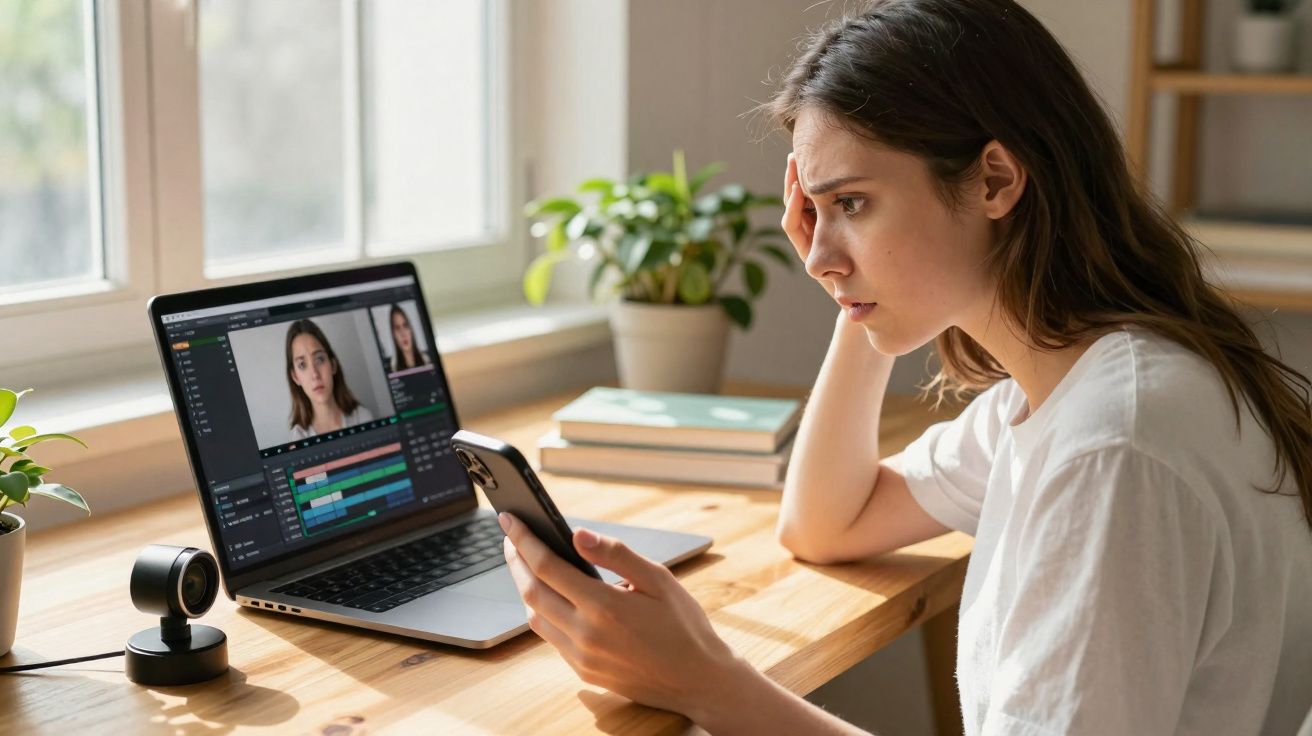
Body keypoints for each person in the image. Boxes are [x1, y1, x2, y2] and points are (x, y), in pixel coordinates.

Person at [496, 1, 1312, 733]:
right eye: (811, 211)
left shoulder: (1113, 447)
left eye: (851, 203)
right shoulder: (1072, 387)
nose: (814, 253)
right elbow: (827, 522)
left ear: (995, 179)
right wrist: (856, 288)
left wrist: (711, 686)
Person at [285, 318, 373, 441]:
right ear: (295, 377)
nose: (315, 374)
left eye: (320, 359)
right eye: (302, 365)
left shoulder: (362, 418)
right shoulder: (299, 438)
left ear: (333, 365)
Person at [386, 303, 431, 372]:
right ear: (393, 334)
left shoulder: (428, 361)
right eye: (397, 328)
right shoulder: (392, 369)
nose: (403, 334)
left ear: (411, 330)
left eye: (405, 325)